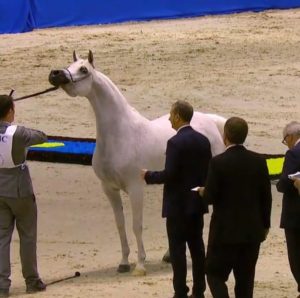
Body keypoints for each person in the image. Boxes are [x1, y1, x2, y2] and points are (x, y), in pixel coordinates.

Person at [141, 100, 212, 298]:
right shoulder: (203, 140)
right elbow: (207, 171)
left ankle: (180, 291)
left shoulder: (174, 142)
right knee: (198, 250)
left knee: (178, 252)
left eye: (171, 115)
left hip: (177, 206)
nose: (169, 119)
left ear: (178, 116)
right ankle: (199, 291)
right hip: (196, 203)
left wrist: (148, 176)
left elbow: (170, 174)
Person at [202, 116, 272, 298]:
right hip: (251, 232)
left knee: (214, 274)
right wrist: (265, 225)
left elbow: (210, 197)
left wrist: (203, 191)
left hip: (224, 233)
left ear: (225, 136)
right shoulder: (259, 161)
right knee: (245, 281)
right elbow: (267, 197)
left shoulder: (217, 163)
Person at [0, 94, 47, 297]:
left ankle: (2, 285)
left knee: (2, 238)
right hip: (19, 190)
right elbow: (41, 136)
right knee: (27, 236)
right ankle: (32, 280)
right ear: (10, 111)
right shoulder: (17, 133)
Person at [276, 121, 300, 298]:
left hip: (296, 216)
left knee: (297, 258)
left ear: (291, 137)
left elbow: (284, 183)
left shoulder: (293, 154)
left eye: (285, 140)